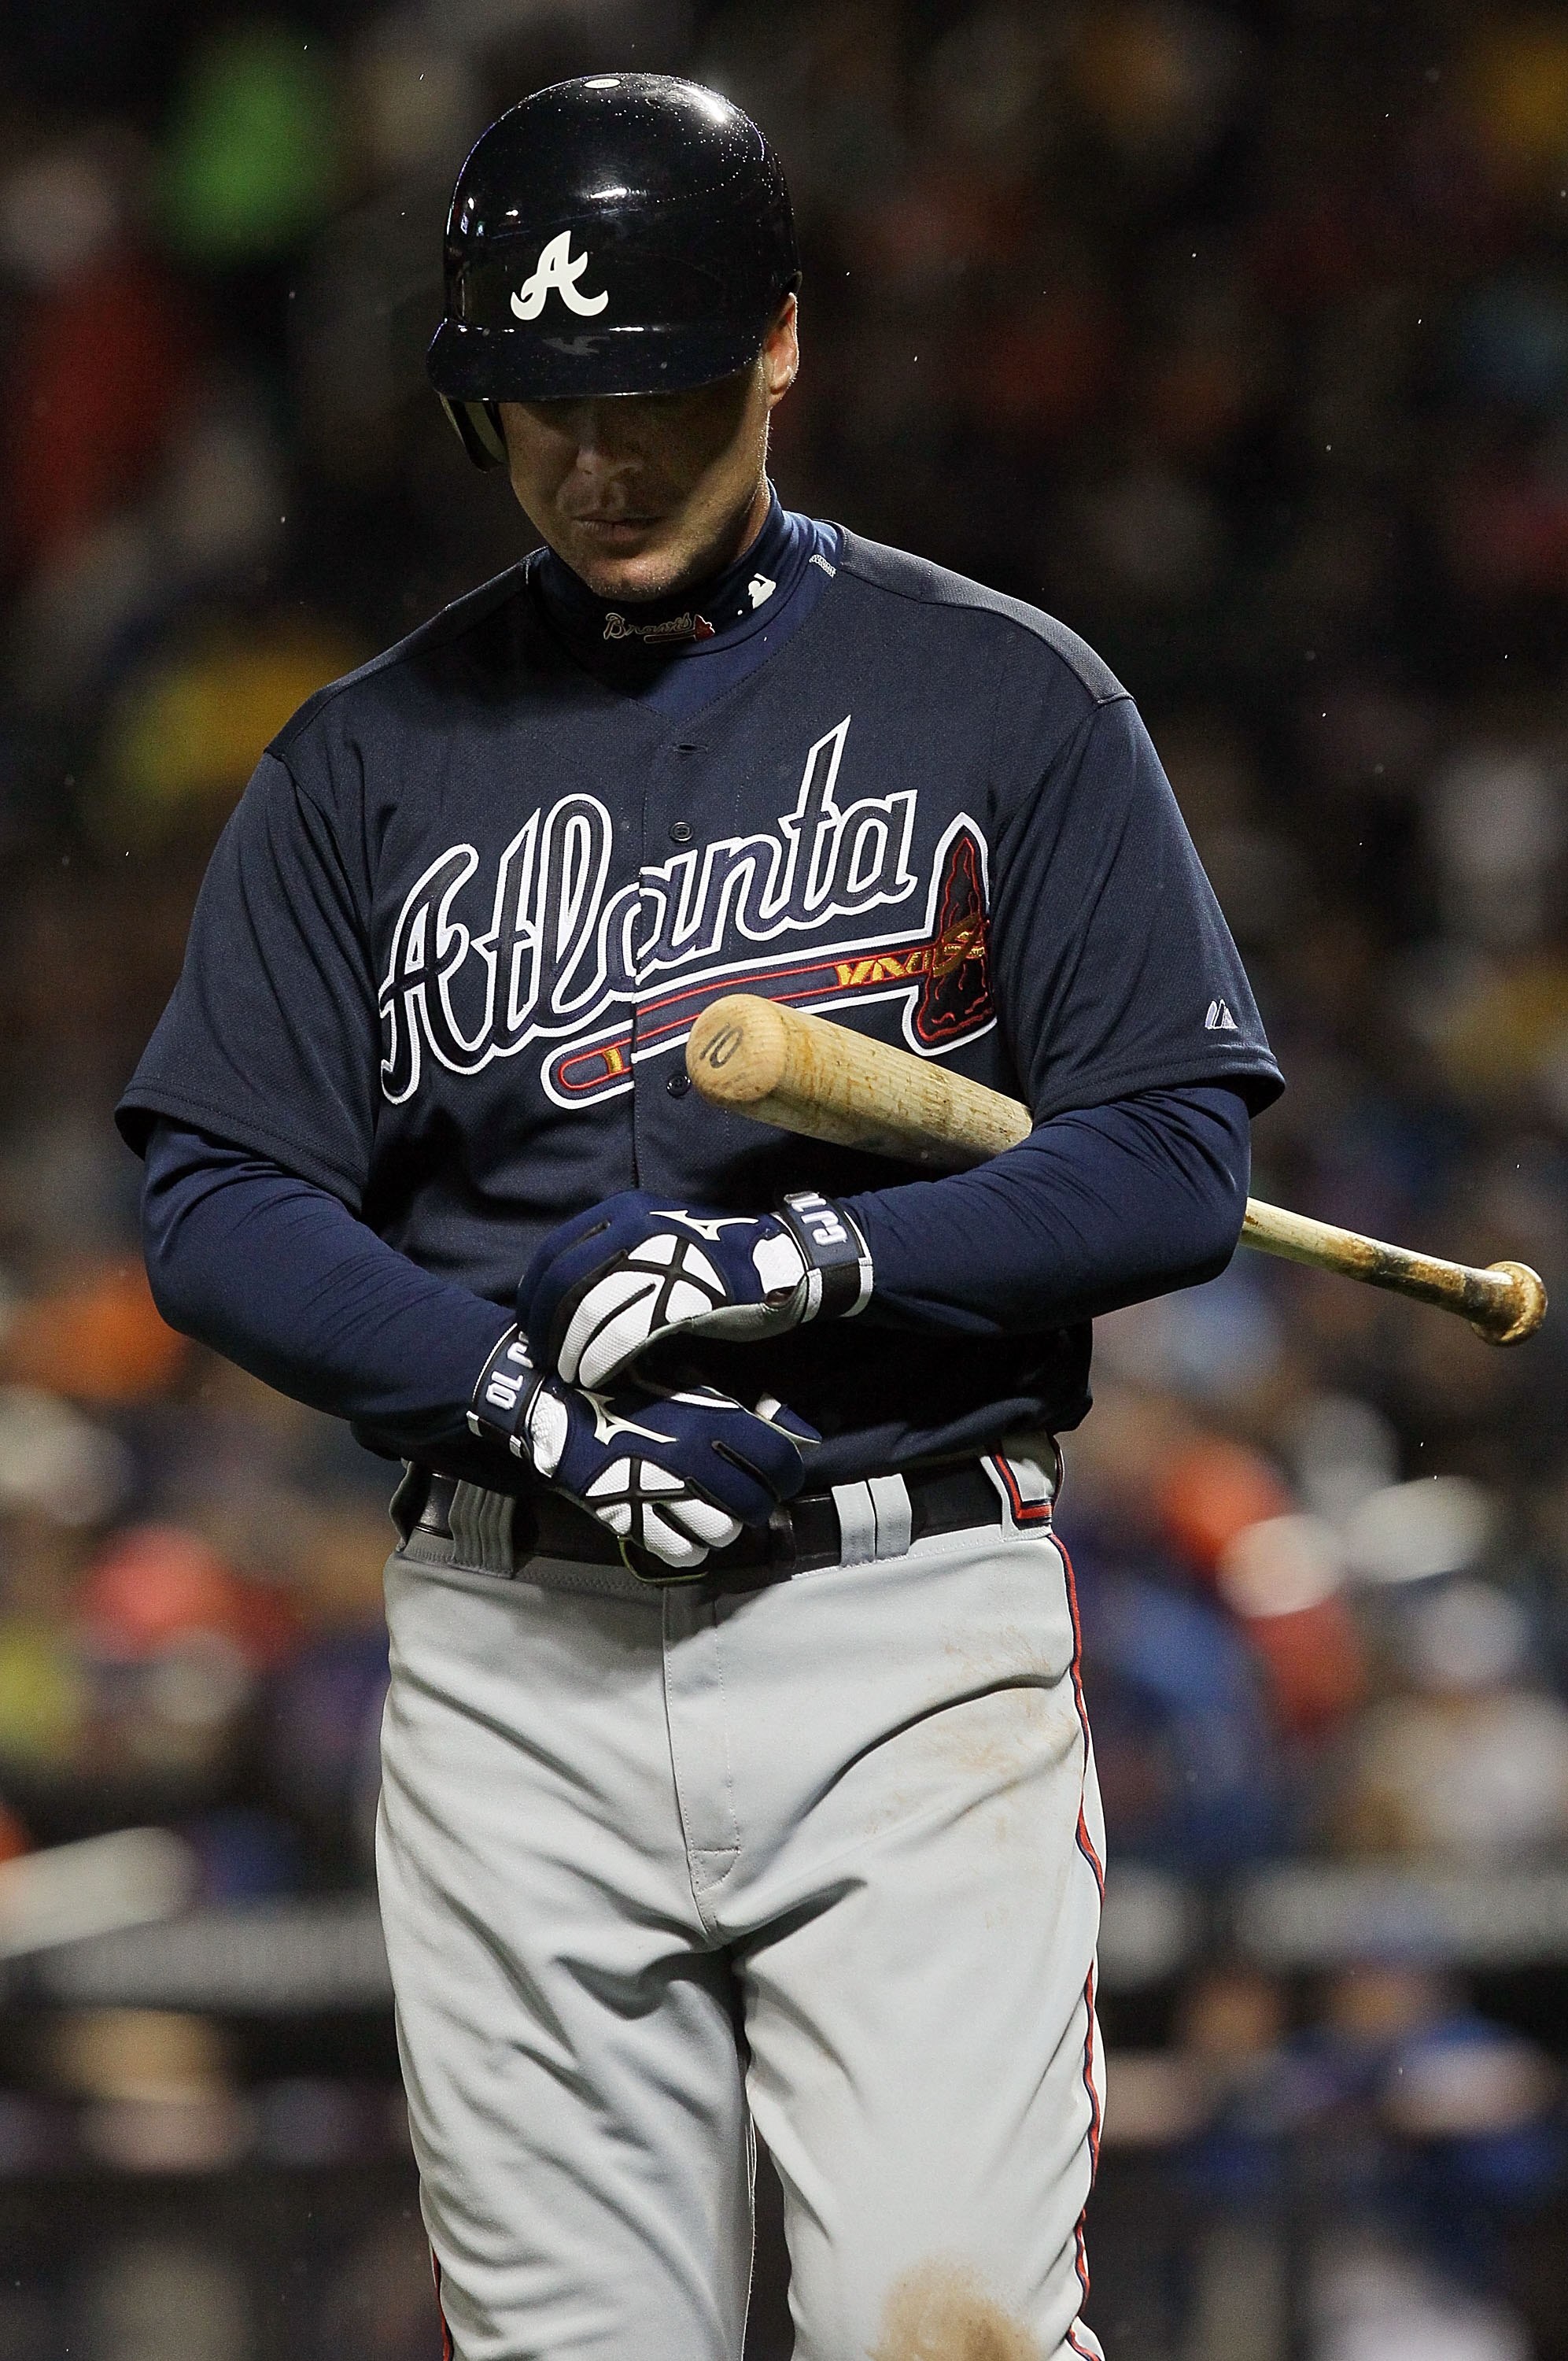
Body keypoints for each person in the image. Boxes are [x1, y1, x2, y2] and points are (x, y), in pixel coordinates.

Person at [118, 73, 1282, 2361]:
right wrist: (511, 1408)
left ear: (772, 344)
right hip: (511, 1644)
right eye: (536, 403)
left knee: (927, 2333)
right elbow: (215, 1191)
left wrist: (818, 1256)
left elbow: (1171, 1157)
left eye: (641, 388)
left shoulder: (1001, 694)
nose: (592, 459)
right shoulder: (361, 756)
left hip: (897, 1617)